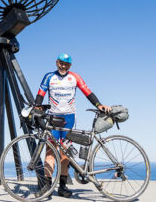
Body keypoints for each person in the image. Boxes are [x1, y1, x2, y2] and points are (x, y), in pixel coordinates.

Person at [34, 53, 110, 198]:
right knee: (50, 151)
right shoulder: (49, 76)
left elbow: (87, 92)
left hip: (69, 119)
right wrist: (36, 107)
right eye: (61, 63)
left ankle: (62, 187)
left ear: (70, 65)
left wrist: (99, 105)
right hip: (53, 118)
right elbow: (40, 93)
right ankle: (47, 186)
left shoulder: (75, 77)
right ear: (56, 62)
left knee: (64, 153)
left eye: (66, 64)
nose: (63, 66)